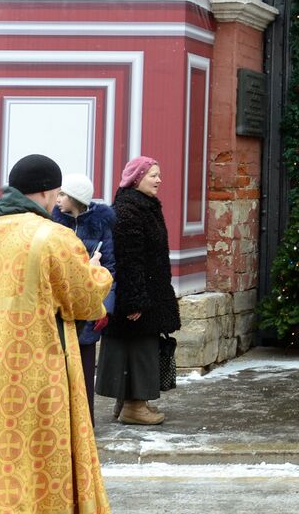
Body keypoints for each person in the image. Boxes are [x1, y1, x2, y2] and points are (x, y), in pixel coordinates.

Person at [0, 154, 114, 514]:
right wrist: (96, 271)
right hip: (36, 372)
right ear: (48, 193)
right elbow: (86, 301)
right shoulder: (53, 237)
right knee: (34, 457)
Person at [97, 156, 181, 425]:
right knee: (139, 347)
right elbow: (128, 259)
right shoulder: (128, 211)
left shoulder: (143, 207)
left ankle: (127, 402)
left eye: (159, 174)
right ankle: (135, 406)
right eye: (152, 175)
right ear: (136, 179)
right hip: (136, 296)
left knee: (134, 346)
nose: (159, 180)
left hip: (145, 292)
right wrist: (134, 301)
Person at [52, 171, 117, 424]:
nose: (57, 199)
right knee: (60, 370)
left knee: (85, 368)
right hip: (61, 306)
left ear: (76, 198)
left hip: (88, 307)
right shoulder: (55, 225)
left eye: (63, 194)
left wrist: (104, 307)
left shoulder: (101, 226)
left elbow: (110, 268)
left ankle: (84, 424)